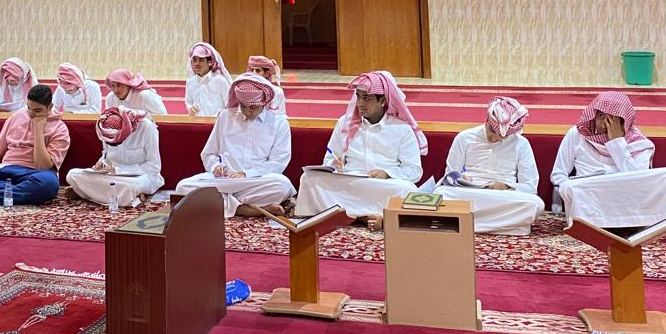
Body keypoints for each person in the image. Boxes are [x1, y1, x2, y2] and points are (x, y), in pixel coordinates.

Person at [295, 70, 423, 228]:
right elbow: (330, 156)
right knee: (308, 179)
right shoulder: (345, 123)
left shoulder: (401, 128)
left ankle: (349, 214)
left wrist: (387, 173)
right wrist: (333, 165)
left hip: (382, 185)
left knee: (407, 189)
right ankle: (364, 216)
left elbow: (414, 171)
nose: (360, 103)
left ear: (382, 101)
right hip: (350, 180)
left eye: (367, 98)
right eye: (358, 97)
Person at [550, 91, 666, 230]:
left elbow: (637, 181)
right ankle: (587, 225)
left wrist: (616, 143)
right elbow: (559, 174)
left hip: (626, 197)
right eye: (601, 116)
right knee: (568, 186)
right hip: (591, 195)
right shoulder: (577, 135)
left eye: (612, 119)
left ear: (624, 121)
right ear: (593, 115)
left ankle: (637, 223)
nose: (604, 124)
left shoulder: (640, 144)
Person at [176, 74, 294, 218]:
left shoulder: (279, 123)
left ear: (263, 101)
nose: (247, 111)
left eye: (253, 107)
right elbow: (209, 153)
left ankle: (223, 203)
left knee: (282, 186)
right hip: (223, 180)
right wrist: (215, 166)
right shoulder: (226, 116)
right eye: (243, 106)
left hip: (255, 180)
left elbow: (278, 162)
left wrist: (245, 174)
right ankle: (246, 209)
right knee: (182, 187)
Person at [434, 96, 544, 235]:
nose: (494, 138)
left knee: (536, 204)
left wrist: (506, 186)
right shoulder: (464, 138)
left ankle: (467, 223)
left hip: (502, 196)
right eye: (492, 130)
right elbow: (449, 177)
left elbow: (530, 187)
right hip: (471, 193)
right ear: (487, 120)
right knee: (441, 193)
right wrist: (461, 179)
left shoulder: (521, 144)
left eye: (501, 136)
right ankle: (507, 226)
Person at [65, 106, 164, 207]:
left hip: (141, 177)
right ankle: (126, 197)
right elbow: (106, 155)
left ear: (126, 130)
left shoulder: (147, 128)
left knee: (129, 187)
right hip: (112, 176)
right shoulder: (106, 126)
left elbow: (153, 167)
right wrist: (102, 163)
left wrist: (120, 171)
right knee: (73, 174)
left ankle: (85, 193)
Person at [185, 42, 232, 116]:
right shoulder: (190, 82)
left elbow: (229, 105)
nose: (196, 63)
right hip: (197, 122)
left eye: (201, 60)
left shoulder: (220, 81)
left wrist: (218, 116)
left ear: (210, 62)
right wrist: (191, 108)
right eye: (194, 60)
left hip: (217, 121)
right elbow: (188, 103)